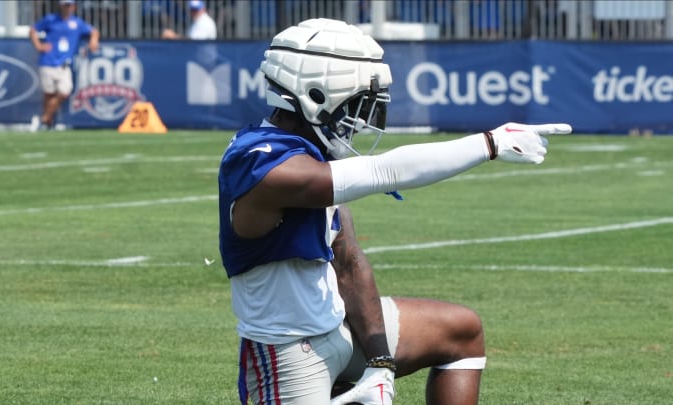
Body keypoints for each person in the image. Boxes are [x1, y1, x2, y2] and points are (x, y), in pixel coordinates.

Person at [218, 18, 571, 405]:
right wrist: (489, 143)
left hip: (336, 329)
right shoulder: (260, 161)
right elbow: (382, 170)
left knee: (461, 331)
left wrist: (381, 364)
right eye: (356, 104)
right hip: (286, 355)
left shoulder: (312, 155)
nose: (362, 119)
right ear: (315, 94)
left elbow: (348, 263)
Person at [29, 0, 99, 131]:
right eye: (65, 5)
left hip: (64, 64)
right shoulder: (51, 19)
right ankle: (47, 123)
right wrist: (38, 45)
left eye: (70, 5)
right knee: (49, 93)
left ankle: (44, 118)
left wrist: (93, 41)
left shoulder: (77, 23)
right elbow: (33, 30)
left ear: (74, 6)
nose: (68, 7)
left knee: (64, 92)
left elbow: (93, 31)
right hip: (48, 61)